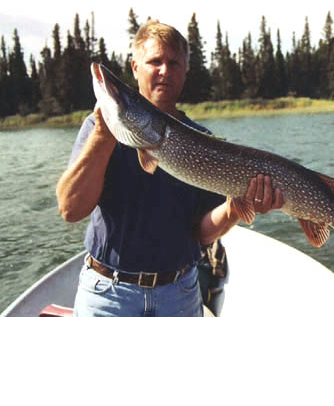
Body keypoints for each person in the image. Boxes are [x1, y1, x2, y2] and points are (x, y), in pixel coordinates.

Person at [56, 20, 284, 317]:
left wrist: (233, 209)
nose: (165, 70)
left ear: (185, 71)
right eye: (155, 61)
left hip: (179, 294)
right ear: (135, 67)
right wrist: (103, 135)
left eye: (174, 63)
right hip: (109, 294)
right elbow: (70, 210)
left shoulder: (202, 142)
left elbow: (202, 233)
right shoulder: (98, 128)